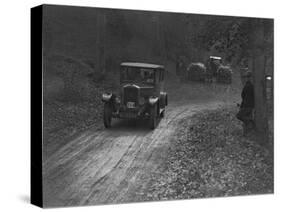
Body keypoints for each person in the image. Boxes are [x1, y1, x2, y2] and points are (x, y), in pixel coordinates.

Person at [236, 70, 255, 135]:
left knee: (239, 116)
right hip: (249, 105)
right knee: (246, 117)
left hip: (247, 105)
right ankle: (246, 133)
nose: (247, 78)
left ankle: (251, 122)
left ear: (251, 77)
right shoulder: (250, 85)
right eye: (247, 77)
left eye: (249, 77)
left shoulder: (249, 85)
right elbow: (243, 95)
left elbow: (243, 95)